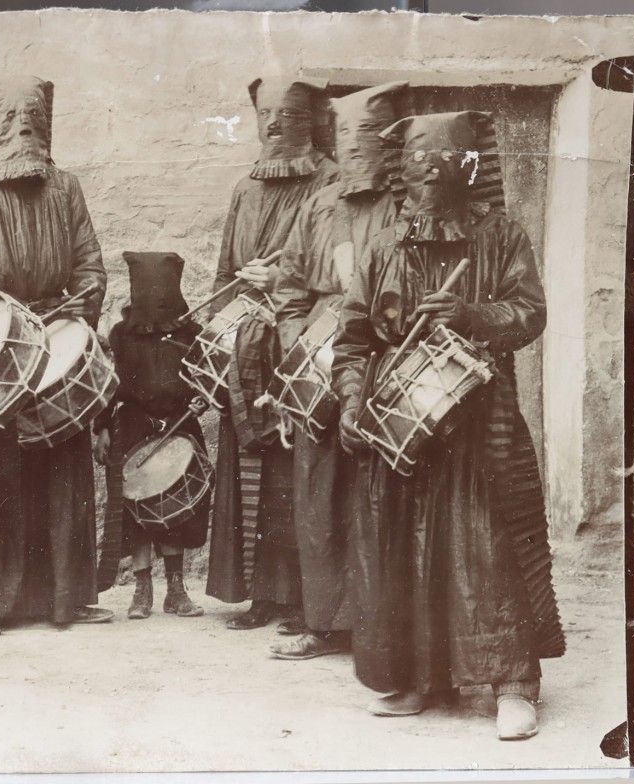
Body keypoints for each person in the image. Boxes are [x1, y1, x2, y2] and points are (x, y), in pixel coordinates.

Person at [331, 110, 564, 740]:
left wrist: (469, 314)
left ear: (467, 171)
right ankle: (418, 679)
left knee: (486, 544)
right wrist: (352, 403)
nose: (424, 178)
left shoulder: (503, 235)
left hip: (477, 419)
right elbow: (352, 339)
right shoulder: (383, 245)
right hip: (398, 423)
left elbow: (529, 313)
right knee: (402, 548)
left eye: (439, 167)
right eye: (414, 166)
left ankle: (513, 684)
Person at [0, 76, 112, 630]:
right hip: (0, 341)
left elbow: (89, 261)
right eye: (10, 118)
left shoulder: (66, 187)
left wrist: (79, 314)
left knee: (63, 475)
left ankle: (66, 599)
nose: (22, 127)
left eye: (33, 117)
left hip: (57, 336)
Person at [268, 81, 407, 660]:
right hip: (320, 362)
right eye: (345, 134)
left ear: (389, 143)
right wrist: (300, 347)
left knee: (380, 496)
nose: (355, 146)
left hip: (385, 359)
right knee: (319, 495)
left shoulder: (407, 206)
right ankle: (324, 623)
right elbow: (289, 288)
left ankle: (383, 626)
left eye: (368, 134)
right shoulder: (318, 205)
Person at [205, 75, 339, 632]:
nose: (274, 123)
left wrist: (284, 275)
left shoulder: (332, 181)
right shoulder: (245, 189)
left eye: (286, 113)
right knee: (250, 467)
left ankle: (303, 601)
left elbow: (337, 267)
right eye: (265, 113)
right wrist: (221, 317)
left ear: (310, 119)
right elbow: (224, 270)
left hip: (303, 340)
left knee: (298, 473)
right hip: (249, 346)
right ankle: (261, 596)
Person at [95, 252, 209, 619]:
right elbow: (108, 386)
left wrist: (201, 399)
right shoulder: (122, 335)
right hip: (133, 425)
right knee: (137, 508)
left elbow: (206, 381)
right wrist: (101, 428)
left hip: (180, 424)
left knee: (173, 506)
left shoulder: (192, 335)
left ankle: (176, 589)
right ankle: (142, 589)